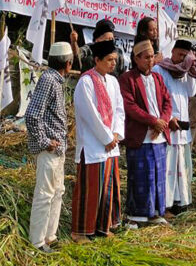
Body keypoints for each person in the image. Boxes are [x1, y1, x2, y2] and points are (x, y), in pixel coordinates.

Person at [71, 40, 125, 242]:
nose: (113, 64)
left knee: (108, 188)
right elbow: (89, 114)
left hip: (111, 145)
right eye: (109, 60)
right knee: (89, 190)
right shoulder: (86, 82)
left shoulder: (113, 82)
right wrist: (106, 137)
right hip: (93, 145)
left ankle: (103, 228)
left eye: (115, 60)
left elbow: (119, 110)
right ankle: (80, 231)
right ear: (97, 60)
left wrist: (116, 134)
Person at [25, 42, 73, 254]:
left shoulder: (55, 79)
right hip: (50, 149)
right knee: (45, 194)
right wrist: (46, 141)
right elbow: (32, 115)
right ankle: (37, 242)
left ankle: (49, 237)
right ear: (68, 63)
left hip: (57, 148)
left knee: (57, 192)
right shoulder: (48, 80)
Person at [120, 40, 172, 226]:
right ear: (136, 59)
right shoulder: (127, 79)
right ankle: (137, 215)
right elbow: (130, 107)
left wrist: (163, 122)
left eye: (152, 57)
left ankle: (156, 212)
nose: (151, 61)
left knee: (158, 176)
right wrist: (153, 121)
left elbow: (167, 101)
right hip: (141, 137)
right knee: (141, 176)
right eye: (147, 57)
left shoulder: (158, 78)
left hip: (158, 136)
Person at [152, 40, 196, 216]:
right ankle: (166, 205)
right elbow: (158, 99)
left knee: (182, 166)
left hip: (183, 128)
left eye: (185, 56)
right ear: (172, 51)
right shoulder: (160, 70)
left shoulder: (184, 72)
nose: (181, 58)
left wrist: (191, 71)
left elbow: (191, 92)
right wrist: (169, 119)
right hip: (168, 127)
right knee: (168, 169)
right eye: (179, 54)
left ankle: (180, 203)